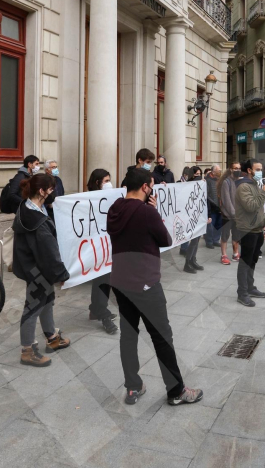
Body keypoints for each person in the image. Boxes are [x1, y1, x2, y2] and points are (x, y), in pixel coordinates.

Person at [108, 168, 203, 406]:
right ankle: (176, 390)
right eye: (151, 185)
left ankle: (133, 386)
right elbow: (166, 240)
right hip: (146, 283)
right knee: (162, 337)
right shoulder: (146, 212)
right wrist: (153, 210)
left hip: (120, 282)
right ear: (145, 188)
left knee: (128, 336)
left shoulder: (114, 208)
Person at [12, 173, 70, 367]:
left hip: (33, 266)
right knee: (33, 307)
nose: (53, 192)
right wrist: (62, 274)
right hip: (38, 269)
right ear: (42, 191)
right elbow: (49, 253)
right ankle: (27, 351)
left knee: (47, 301)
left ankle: (52, 337)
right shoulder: (38, 222)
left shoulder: (28, 206)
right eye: (51, 189)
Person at [86, 169, 118, 335]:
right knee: (101, 279)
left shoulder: (109, 197)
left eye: (109, 180)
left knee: (104, 278)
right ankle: (103, 313)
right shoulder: (86, 199)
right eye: (106, 180)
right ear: (97, 182)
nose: (109, 183)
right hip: (95, 247)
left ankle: (96, 309)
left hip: (106, 245)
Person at [234, 159, 265, 307]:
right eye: (258, 169)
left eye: (261, 169)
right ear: (249, 170)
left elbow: (259, 209)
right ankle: (242, 293)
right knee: (245, 262)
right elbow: (251, 206)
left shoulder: (255, 184)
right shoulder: (243, 187)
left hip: (258, 229)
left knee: (253, 261)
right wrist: (264, 193)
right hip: (247, 230)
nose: (261, 172)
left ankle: (250, 287)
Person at [183, 166, 212, 273]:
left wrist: (208, 215)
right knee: (193, 241)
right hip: (191, 217)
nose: (198, 176)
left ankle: (192, 260)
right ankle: (187, 262)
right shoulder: (186, 186)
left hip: (200, 216)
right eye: (196, 175)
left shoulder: (203, 185)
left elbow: (206, 200)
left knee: (197, 240)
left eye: (200, 174)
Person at [218, 162, 241, 265]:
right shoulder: (226, 182)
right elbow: (226, 201)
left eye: (239, 168)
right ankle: (224, 255)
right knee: (225, 236)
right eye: (235, 168)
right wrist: (234, 214)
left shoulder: (239, 181)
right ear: (231, 169)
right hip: (227, 215)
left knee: (236, 236)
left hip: (238, 215)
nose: (237, 170)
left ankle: (235, 254)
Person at [205, 164, 222, 249]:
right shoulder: (207, 180)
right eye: (219, 171)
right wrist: (214, 204)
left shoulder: (220, 180)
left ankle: (216, 240)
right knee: (211, 226)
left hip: (220, 206)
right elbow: (207, 195)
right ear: (213, 171)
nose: (220, 172)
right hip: (212, 207)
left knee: (219, 224)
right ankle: (209, 241)